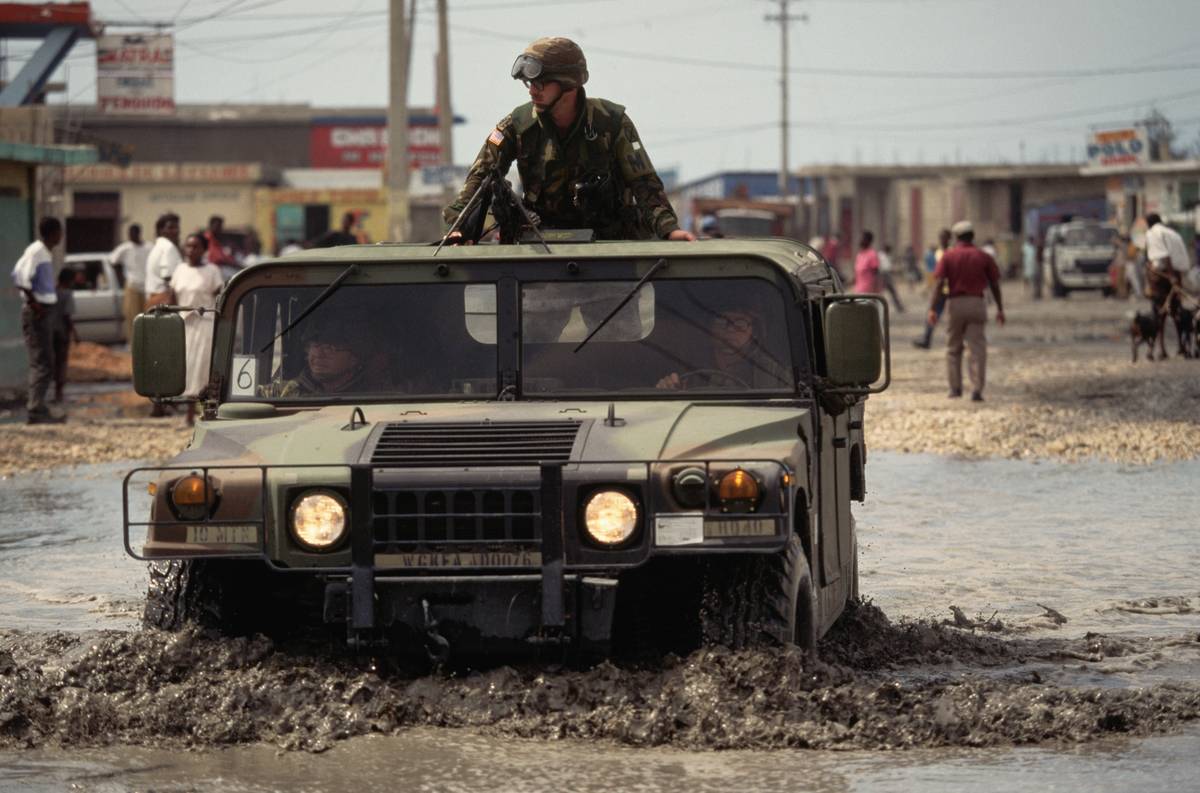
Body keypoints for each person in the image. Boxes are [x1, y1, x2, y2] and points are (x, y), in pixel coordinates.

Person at [443, 36, 693, 243]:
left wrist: (669, 229)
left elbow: (644, 183)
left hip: (610, 251)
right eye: (530, 83)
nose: (532, 90)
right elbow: (481, 176)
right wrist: (460, 226)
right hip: (540, 250)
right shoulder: (516, 126)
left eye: (540, 83)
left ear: (568, 83)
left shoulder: (612, 122)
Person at [930, 220, 1004, 402]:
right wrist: (1000, 309)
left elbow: (939, 283)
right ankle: (977, 389)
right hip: (977, 303)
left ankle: (955, 388)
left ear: (956, 237)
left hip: (955, 303)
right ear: (972, 236)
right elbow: (994, 284)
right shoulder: (983, 256)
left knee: (953, 347)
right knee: (977, 348)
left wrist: (932, 308)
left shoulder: (948, 256)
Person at [655, 301, 790, 390]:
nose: (730, 329)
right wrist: (666, 389)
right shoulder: (685, 361)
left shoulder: (773, 373)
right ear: (710, 327)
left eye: (740, 323)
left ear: (753, 332)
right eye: (721, 322)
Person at [11, 217, 65, 423]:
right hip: (37, 312)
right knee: (42, 362)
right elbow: (20, 278)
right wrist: (36, 305)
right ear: (53, 233)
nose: (61, 237)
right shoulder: (36, 251)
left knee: (46, 360)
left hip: (44, 311)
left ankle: (39, 406)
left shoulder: (44, 253)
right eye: (60, 232)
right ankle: (35, 408)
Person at [172, 233, 224, 426]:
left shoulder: (212, 271)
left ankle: (205, 412)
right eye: (188, 246)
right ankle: (188, 413)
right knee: (186, 368)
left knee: (203, 370)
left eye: (195, 247)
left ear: (204, 249)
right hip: (184, 325)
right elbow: (173, 298)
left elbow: (221, 298)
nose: (191, 250)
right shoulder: (179, 270)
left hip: (205, 325)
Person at [257, 317, 375, 397]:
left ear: (354, 358)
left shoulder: (375, 394)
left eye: (330, 347)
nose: (318, 354)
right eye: (314, 345)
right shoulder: (285, 391)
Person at [1143, 213, 1190, 359]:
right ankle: (1181, 346)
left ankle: (1161, 349)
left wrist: (1170, 276)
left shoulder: (1152, 233)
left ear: (1149, 223)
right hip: (1175, 274)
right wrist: (1175, 277)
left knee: (1159, 314)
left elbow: (1164, 255)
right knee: (1177, 313)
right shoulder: (1171, 233)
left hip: (1161, 277)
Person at [108, 223, 151, 343]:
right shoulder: (125, 248)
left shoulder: (149, 247)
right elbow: (112, 261)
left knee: (148, 318)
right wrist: (121, 278)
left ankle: (147, 344)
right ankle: (134, 344)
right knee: (132, 318)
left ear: (138, 233)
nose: (131, 236)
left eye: (133, 233)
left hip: (147, 287)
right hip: (132, 286)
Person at [913, 228, 953, 349]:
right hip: (940, 290)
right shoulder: (937, 253)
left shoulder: (952, 252)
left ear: (949, 239)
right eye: (941, 237)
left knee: (956, 317)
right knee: (932, 313)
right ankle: (927, 338)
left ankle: (961, 341)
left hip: (952, 289)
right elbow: (935, 273)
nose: (942, 240)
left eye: (944, 237)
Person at [51, 268, 79, 404]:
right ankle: (59, 394)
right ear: (69, 280)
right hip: (62, 333)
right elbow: (67, 316)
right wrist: (75, 334)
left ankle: (53, 393)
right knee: (61, 363)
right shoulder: (67, 294)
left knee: (51, 362)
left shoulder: (52, 291)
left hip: (49, 332)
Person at [144, 212, 182, 304]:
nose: (175, 231)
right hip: (163, 299)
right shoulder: (168, 247)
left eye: (177, 227)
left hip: (153, 298)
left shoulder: (159, 246)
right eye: (171, 228)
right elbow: (169, 278)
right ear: (161, 230)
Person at [878, 243, 905, 312]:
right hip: (883, 275)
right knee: (881, 292)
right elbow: (886, 268)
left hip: (885, 275)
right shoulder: (881, 256)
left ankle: (899, 307)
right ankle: (877, 306)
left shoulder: (886, 256)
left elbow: (888, 267)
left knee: (892, 292)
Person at [853, 231, 881, 295]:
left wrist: (876, 291)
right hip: (858, 291)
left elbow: (876, 273)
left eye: (863, 238)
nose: (861, 240)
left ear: (868, 241)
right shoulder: (859, 254)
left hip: (869, 292)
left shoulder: (872, 254)